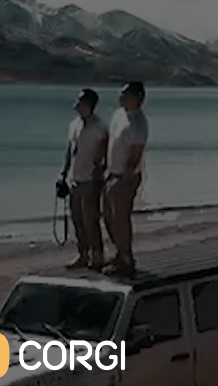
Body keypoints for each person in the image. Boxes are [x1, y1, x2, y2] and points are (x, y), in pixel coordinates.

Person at [57, 88, 108, 271]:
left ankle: (97, 256)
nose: (77, 105)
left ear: (89, 104)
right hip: (74, 179)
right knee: (77, 219)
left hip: (89, 179)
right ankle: (83, 254)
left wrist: (99, 172)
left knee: (90, 220)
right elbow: (70, 151)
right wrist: (63, 174)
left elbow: (105, 151)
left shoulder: (99, 127)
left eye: (80, 101)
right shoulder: (74, 124)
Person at [102, 82, 149, 277]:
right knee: (108, 217)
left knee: (120, 219)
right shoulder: (119, 115)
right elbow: (111, 141)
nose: (121, 97)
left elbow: (136, 154)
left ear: (137, 98)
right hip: (111, 174)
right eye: (121, 94)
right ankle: (119, 253)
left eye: (125, 94)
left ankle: (126, 259)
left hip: (124, 178)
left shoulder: (138, 123)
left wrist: (124, 177)